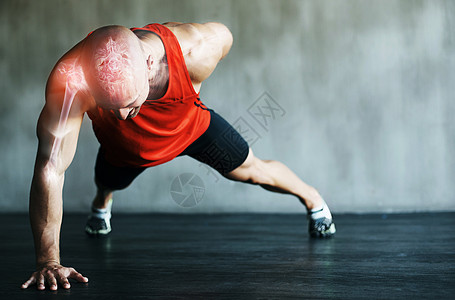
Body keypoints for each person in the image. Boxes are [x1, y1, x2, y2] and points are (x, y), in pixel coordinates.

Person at [21, 22, 336, 291]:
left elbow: (224, 36)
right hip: (125, 148)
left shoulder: (194, 49)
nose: (120, 114)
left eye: (130, 102)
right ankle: (102, 205)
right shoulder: (71, 81)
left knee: (252, 169)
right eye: (108, 106)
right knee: (106, 181)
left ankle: (314, 199)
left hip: (192, 128)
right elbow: (51, 169)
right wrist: (49, 261)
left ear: (148, 63)